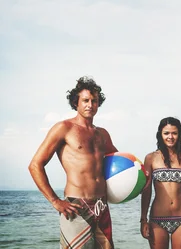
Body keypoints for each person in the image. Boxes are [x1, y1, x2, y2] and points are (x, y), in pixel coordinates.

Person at [28, 76, 118, 249]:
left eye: (94, 101)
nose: (90, 105)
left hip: (101, 205)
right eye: (85, 100)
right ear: (76, 102)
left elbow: (121, 161)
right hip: (75, 206)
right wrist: (55, 201)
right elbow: (35, 165)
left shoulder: (102, 134)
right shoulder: (64, 128)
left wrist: (141, 175)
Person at [140, 117, 181, 248]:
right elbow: (147, 190)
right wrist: (143, 219)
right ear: (160, 134)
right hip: (157, 218)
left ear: (179, 135)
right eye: (166, 133)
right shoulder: (151, 158)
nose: (170, 137)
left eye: (174, 133)